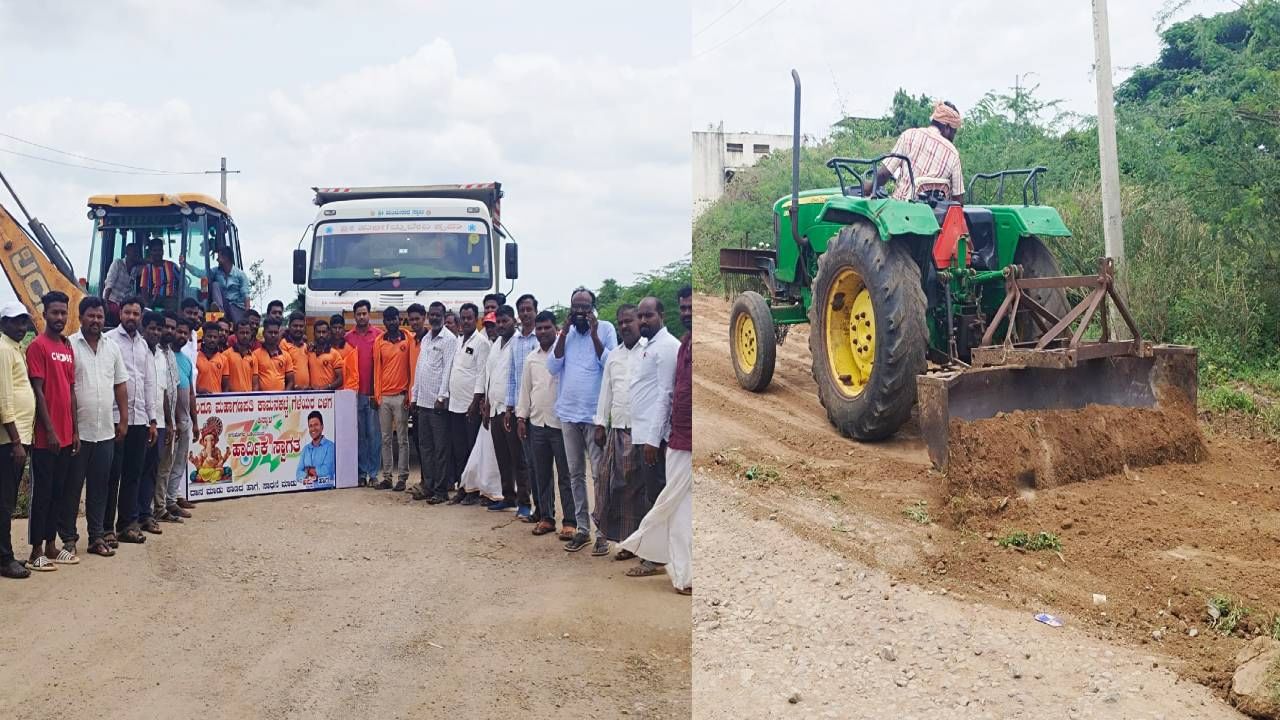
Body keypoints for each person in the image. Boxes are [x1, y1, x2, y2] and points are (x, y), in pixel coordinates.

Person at [621, 286, 693, 594]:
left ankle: (655, 558)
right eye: (641, 316)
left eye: (648, 315)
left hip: (658, 437)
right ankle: (655, 552)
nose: (643, 320)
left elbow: (665, 395)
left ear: (661, 316)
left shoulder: (666, 346)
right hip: (644, 434)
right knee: (653, 495)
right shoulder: (652, 346)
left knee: (661, 497)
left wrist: (652, 440)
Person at [547, 288, 618, 552]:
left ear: (592, 308)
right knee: (575, 473)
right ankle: (582, 529)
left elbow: (610, 363)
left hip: (593, 416)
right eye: (575, 307)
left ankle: (602, 532)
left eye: (584, 307)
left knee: (599, 475)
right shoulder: (567, 335)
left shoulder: (606, 329)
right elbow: (553, 367)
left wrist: (595, 333)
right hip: (568, 414)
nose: (579, 312)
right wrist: (563, 333)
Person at [70, 296, 128, 559]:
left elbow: (120, 385)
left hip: (105, 431)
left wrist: (124, 419)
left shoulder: (112, 347)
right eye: (91, 316)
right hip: (77, 433)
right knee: (71, 488)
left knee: (99, 488)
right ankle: (68, 539)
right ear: (81, 317)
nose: (96, 320)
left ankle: (96, 537)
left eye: (100, 316)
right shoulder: (69, 346)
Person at [26, 291, 80, 571]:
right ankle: (35, 551)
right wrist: (50, 431)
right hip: (46, 439)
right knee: (43, 494)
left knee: (58, 492)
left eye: (63, 313)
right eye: (54, 312)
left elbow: (70, 391)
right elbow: (38, 391)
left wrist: (75, 431)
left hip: (67, 435)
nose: (59, 318)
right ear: (44, 313)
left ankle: (51, 545)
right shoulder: (38, 346)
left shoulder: (67, 347)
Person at [105, 297, 157, 546]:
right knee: (112, 475)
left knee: (133, 475)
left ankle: (127, 524)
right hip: (115, 419)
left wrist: (152, 419)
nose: (132, 317)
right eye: (128, 313)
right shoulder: (110, 341)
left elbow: (147, 383)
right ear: (120, 314)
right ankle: (105, 529)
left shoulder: (143, 346)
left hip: (139, 420)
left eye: (136, 314)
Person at [591, 304, 642, 556]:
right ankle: (626, 542)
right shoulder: (614, 355)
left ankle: (643, 545)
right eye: (621, 322)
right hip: (617, 431)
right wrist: (601, 423)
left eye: (629, 321)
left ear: (639, 322)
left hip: (643, 434)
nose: (624, 326)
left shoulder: (649, 352)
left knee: (639, 491)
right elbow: (606, 391)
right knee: (615, 489)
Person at [516, 310, 572, 538]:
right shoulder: (532, 358)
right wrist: (522, 417)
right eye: (539, 328)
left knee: (566, 475)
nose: (542, 332)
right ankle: (546, 517)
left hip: (561, 424)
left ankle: (570, 522)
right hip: (537, 422)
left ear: (555, 328)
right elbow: (526, 390)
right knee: (541, 474)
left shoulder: (565, 353)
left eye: (547, 327)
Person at [864, 100, 965, 202]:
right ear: (947, 127)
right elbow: (958, 200)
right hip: (931, 216)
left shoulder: (909, 135)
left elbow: (884, 174)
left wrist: (869, 187)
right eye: (954, 132)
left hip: (899, 208)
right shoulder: (953, 154)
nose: (953, 137)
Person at [0, 303, 35, 578]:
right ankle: (4, 558)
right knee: (4, 501)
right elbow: (4, 400)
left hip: (18, 437)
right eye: (15, 322)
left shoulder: (15, 348)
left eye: (24, 322)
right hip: (8, 441)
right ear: (3, 324)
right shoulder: (3, 350)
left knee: (8, 500)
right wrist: (15, 442)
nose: (22, 328)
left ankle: (5, 553)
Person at [410, 301, 457, 504]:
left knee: (440, 449)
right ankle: (428, 485)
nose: (435, 318)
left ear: (443, 316)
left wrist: (442, 396)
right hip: (422, 403)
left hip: (438, 404)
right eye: (432, 315)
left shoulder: (449, 340)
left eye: (439, 315)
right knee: (425, 447)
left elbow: (448, 369)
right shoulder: (427, 338)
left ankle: (441, 490)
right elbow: (420, 369)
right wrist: (414, 396)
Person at [482, 305, 525, 512]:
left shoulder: (519, 343)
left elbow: (518, 378)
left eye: (504, 321)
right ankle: (508, 496)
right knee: (502, 457)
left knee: (518, 458)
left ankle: (525, 502)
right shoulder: (496, 343)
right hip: (494, 408)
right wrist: (486, 404)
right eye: (498, 322)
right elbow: (490, 376)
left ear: (514, 321)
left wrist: (513, 409)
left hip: (512, 410)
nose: (500, 325)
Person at [137, 310, 175, 536]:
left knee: (152, 470)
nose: (156, 332)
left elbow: (164, 392)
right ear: (144, 328)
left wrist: (169, 422)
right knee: (136, 471)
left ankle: (146, 514)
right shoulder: (138, 351)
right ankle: (133, 516)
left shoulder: (162, 356)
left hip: (159, 422)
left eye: (158, 329)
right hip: (140, 422)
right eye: (151, 328)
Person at [446, 303, 488, 505]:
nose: (465, 321)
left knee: (473, 450)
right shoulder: (458, 340)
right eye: (463, 318)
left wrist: (475, 403)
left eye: (469, 318)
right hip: (454, 404)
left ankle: (474, 490)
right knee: (459, 449)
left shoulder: (481, 343)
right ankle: (462, 487)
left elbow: (481, 374)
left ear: (477, 319)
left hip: (470, 406)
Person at [157, 314, 198, 523]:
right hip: (167, 422)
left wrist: (195, 422)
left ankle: (171, 500)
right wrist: (169, 421)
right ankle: (160, 504)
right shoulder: (163, 356)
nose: (180, 335)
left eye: (185, 333)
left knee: (179, 462)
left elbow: (190, 393)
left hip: (184, 421)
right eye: (178, 331)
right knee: (165, 464)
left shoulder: (186, 360)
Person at [503, 294, 540, 521]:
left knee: (537, 462)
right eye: (522, 310)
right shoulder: (515, 343)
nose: (525, 314)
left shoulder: (542, 339)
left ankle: (542, 507)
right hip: (519, 411)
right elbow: (512, 378)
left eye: (529, 309)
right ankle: (524, 504)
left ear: (536, 311)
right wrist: (509, 408)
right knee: (521, 460)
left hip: (539, 411)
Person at [372, 306, 412, 490]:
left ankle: (402, 477)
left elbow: (412, 368)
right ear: (384, 322)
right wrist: (377, 395)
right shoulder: (379, 341)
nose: (391, 322)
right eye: (387, 320)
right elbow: (376, 371)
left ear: (399, 319)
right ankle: (387, 477)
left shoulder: (408, 339)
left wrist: (410, 395)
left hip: (401, 396)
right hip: (385, 399)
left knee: (403, 439)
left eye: (394, 318)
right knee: (385, 438)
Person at [346, 300, 382, 485]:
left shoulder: (378, 336)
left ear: (369, 314)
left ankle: (374, 473)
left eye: (364, 313)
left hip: (373, 394)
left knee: (374, 435)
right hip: (355, 395)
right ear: (354, 316)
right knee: (359, 435)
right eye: (358, 314)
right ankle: (361, 473)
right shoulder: (348, 337)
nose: (361, 317)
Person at [137, 238, 183, 313]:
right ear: (150, 252)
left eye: (160, 250)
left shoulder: (172, 266)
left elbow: (182, 281)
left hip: (170, 299)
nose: (157, 253)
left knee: (173, 309)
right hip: (154, 299)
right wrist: (147, 304)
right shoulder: (147, 269)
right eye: (155, 250)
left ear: (163, 251)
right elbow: (144, 289)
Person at [209, 247, 249, 324]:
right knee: (215, 285)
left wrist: (247, 315)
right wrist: (186, 265)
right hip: (225, 306)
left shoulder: (240, 275)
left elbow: (246, 296)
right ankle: (220, 314)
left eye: (219, 257)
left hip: (237, 307)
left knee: (239, 326)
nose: (217, 260)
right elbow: (201, 273)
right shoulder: (216, 271)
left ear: (226, 258)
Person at [254, 317, 295, 392]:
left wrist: (284, 396)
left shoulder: (286, 355)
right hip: (262, 400)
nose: (273, 335)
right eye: (270, 332)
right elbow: (254, 382)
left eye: (275, 332)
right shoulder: (255, 355)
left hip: (281, 400)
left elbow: (291, 381)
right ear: (263, 333)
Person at [103, 243, 141, 319]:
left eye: (137, 252)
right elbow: (109, 284)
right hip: (112, 300)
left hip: (125, 302)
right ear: (127, 252)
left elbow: (149, 264)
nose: (135, 255)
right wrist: (105, 304)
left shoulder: (136, 269)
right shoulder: (118, 263)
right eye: (133, 252)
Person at [296, 411, 336, 485]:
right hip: (308, 493)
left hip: (327, 492)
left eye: (316, 425)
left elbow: (327, 471)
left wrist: (308, 470)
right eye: (310, 426)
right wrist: (308, 476)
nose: (313, 428)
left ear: (322, 427)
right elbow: (298, 473)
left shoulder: (330, 447)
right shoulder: (306, 449)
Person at [306, 318, 344, 391]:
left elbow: (341, 379)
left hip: (329, 396)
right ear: (314, 333)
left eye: (324, 332)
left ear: (328, 333)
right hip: (311, 395)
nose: (321, 335)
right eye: (318, 332)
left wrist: (325, 388)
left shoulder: (334, 354)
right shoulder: (309, 352)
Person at [225, 320, 260, 392]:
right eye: (242, 333)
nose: (245, 336)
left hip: (248, 399)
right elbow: (224, 383)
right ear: (236, 334)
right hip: (231, 400)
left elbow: (255, 384)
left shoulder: (253, 357)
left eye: (247, 333)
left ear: (251, 334)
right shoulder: (226, 355)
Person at [196, 322, 230, 394]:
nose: (212, 340)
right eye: (209, 336)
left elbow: (225, 386)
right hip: (198, 400)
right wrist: (198, 390)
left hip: (217, 401)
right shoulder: (195, 356)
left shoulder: (223, 359)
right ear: (203, 337)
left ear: (218, 338)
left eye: (215, 337)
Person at [329, 315, 359, 393]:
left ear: (344, 330)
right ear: (330, 329)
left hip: (344, 392)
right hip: (327, 392)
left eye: (340, 328)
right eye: (335, 328)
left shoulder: (350, 350)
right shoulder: (325, 347)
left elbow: (353, 375)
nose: (337, 330)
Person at [283, 311, 310, 390]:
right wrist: (293, 387)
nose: (298, 329)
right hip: (290, 392)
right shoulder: (284, 344)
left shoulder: (305, 346)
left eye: (301, 326)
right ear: (289, 326)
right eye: (295, 326)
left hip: (306, 393)